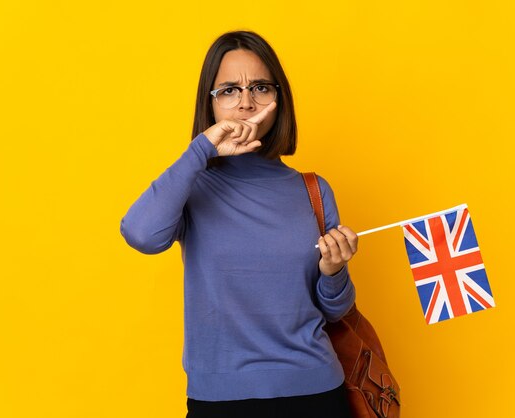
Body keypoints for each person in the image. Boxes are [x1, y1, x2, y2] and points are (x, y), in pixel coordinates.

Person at [120, 30, 359, 418]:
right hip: (220, 402)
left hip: (316, 392)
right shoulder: (191, 184)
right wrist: (202, 149)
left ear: (280, 98)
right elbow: (141, 235)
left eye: (261, 87)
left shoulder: (312, 190)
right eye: (229, 90)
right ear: (210, 103)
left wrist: (333, 272)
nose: (246, 103)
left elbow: (335, 310)